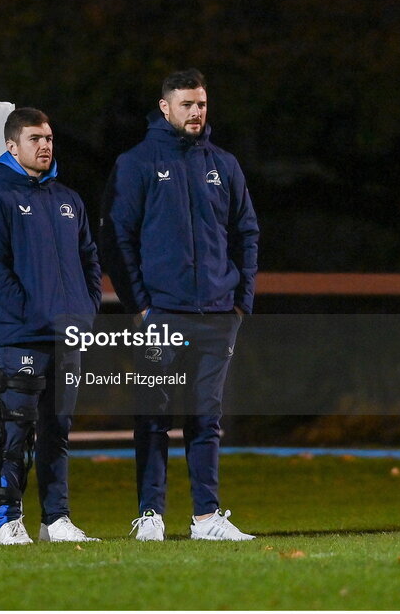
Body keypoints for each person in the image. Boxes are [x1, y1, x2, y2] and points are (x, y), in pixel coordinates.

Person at [101, 68, 260, 541]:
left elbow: (246, 232)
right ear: (165, 107)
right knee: (153, 413)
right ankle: (150, 515)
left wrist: (240, 301)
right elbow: (117, 239)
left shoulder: (223, 164)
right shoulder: (136, 163)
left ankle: (207, 518)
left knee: (205, 417)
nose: (197, 112)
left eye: (202, 104)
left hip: (216, 313)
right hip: (163, 313)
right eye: (187, 104)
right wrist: (142, 306)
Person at [0, 107, 102, 545]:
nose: (45, 145)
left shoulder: (68, 200)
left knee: (57, 430)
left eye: (48, 137)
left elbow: (89, 261)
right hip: (22, 336)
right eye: (34, 138)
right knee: (16, 428)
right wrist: (29, 312)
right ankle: (8, 518)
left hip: (68, 335)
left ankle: (56, 519)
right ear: (12, 146)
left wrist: (86, 311)